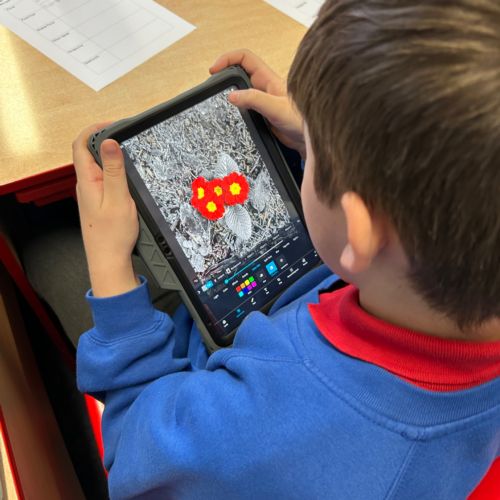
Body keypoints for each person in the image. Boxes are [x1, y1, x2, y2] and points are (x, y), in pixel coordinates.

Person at [74, 1, 500, 498]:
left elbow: (134, 455)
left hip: (181, 414)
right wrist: (325, 144)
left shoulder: (249, 430)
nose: (305, 150)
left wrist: (110, 269)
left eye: (313, 152)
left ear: (359, 232)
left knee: (50, 254)